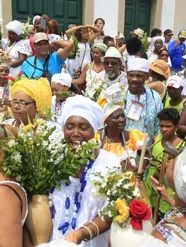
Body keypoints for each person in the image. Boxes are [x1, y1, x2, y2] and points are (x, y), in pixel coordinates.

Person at [52, 95, 120, 246]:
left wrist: (82, 233)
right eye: (70, 127)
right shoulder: (53, 158)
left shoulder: (109, 162)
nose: (76, 133)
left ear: (94, 130)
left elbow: (111, 210)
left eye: (83, 127)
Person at [145, 108, 184, 219]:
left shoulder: (181, 145)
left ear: (176, 127)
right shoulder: (156, 139)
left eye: (168, 126)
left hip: (167, 190)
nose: (164, 130)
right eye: (161, 126)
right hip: (151, 185)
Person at [96, 84, 145, 164]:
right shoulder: (97, 138)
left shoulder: (132, 136)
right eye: (117, 117)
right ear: (105, 121)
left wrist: (140, 167)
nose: (122, 120)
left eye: (123, 116)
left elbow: (145, 154)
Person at [125, 58, 163, 146]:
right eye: (131, 75)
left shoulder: (155, 98)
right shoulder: (119, 94)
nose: (134, 79)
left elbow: (158, 126)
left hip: (145, 151)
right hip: (122, 150)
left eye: (139, 76)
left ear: (147, 76)